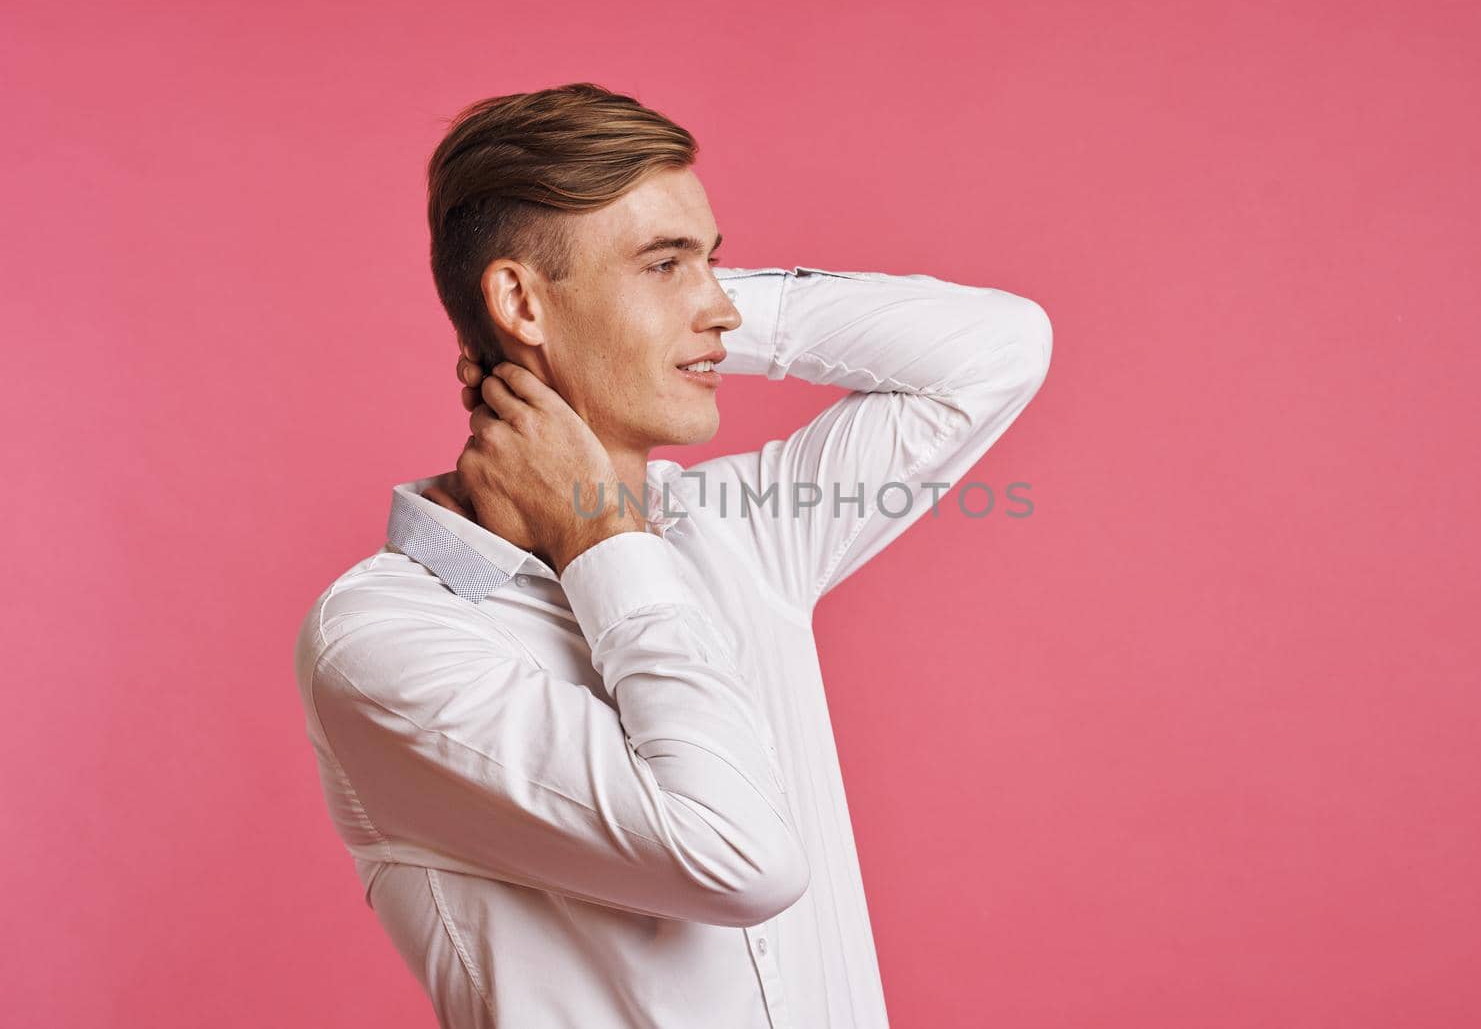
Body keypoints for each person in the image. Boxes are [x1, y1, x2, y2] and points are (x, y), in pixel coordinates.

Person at [292, 82, 1053, 1029]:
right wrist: (598, 536)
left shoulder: (737, 528)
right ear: (520, 298)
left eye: (713, 262)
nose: (722, 310)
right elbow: (738, 856)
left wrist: (680, 313)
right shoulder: (382, 639)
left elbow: (1000, 347)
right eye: (662, 263)